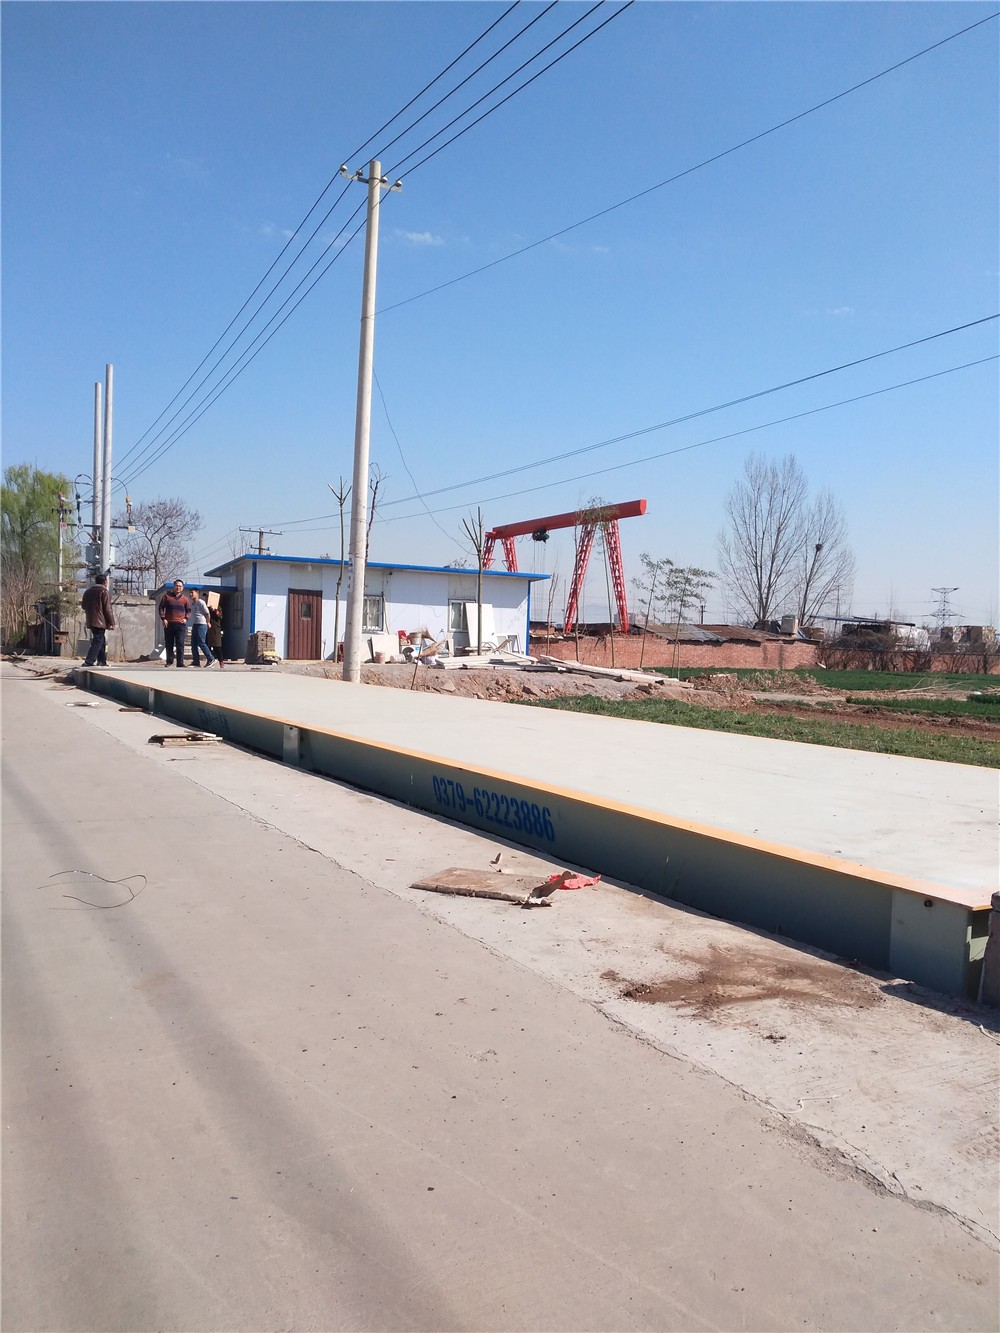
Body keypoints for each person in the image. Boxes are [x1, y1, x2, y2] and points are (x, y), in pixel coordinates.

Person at [81, 574, 115, 666]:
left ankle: (102, 661)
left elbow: (83, 606)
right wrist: (112, 622)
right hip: (100, 621)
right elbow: (108, 609)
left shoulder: (88, 592)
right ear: (105, 582)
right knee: (98, 641)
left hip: (91, 620)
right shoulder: (104, 592)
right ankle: (89, 661)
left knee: (101, 640)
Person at [159, 579, 192, 667]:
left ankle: (180, 662)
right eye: (176, 586)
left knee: (180, 644)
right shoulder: (167, 596)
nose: (178, 588)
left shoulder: (185, 599)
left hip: (180, 625)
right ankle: (169, 661)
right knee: (169, 643)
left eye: (180, 586)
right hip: (169, 624)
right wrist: (163, 619)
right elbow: (161, 608)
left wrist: (186, 618)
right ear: (173, 587)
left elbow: (188, 610)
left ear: (183, 588)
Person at [188, 589, 215, 667]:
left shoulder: (201, 602)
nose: (190, 594)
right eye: (190, 593)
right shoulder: (192, 604)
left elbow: (207, 613)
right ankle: (196, 661)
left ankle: (211, 659)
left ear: (197, 593)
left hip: (202, 624)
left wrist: (208, 622)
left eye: (192, 593)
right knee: (193, 644)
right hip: (195, 624)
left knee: (201, 642)